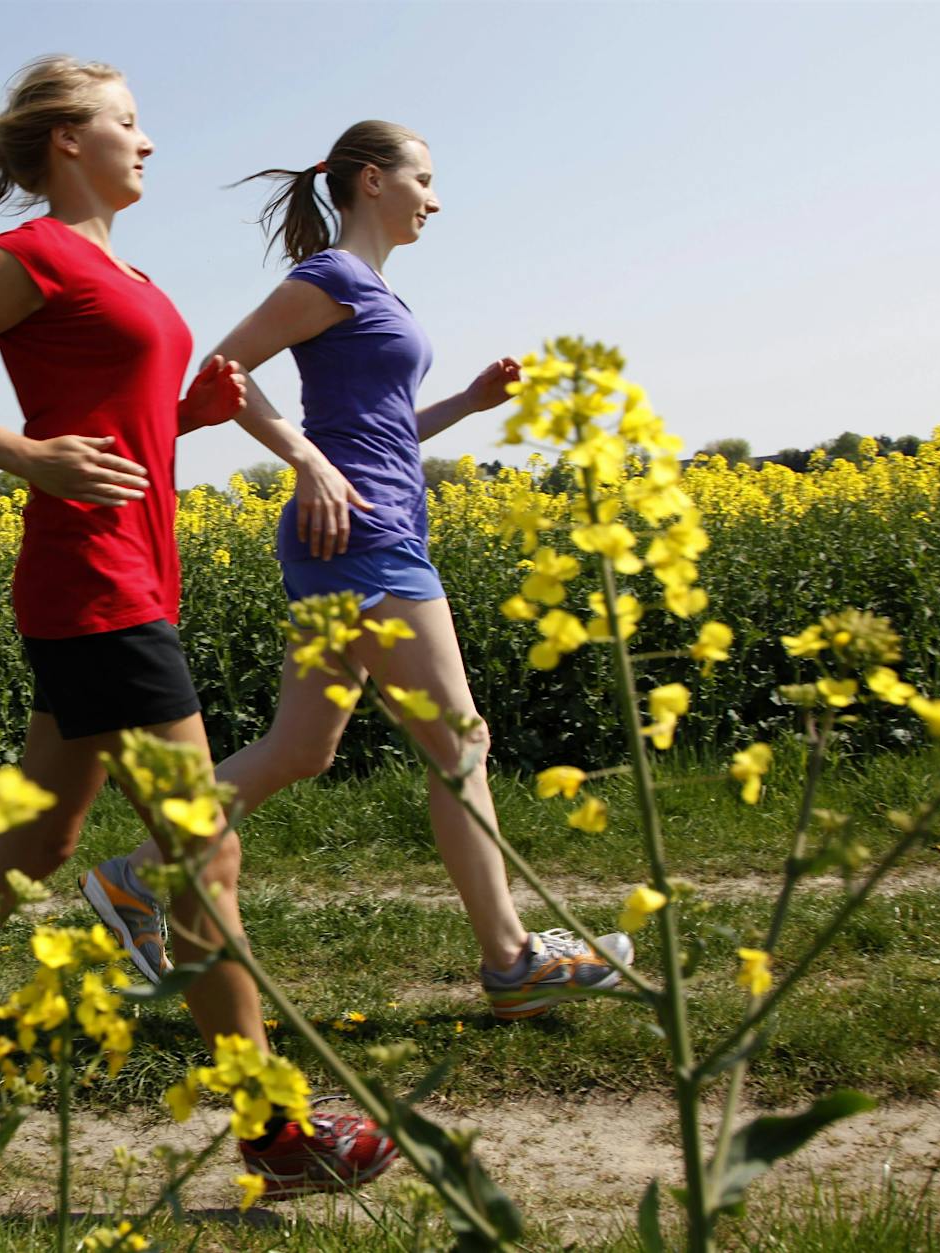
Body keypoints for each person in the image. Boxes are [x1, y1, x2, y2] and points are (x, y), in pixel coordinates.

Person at [0, 59, 398, 1195]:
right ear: (65, 140)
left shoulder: (120, 269)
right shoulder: (28, 256)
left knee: (42, 842)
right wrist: (25, 455)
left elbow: (128, 420)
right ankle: (272, 1128)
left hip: (131, 575)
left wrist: (191, 408)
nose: (146, 142)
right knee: (203, 848)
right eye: (127, 123)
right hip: (92, 581)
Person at [82, 120, 634, 1021]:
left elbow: (380, 435)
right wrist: (304, 460)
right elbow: (224, 367)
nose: (436, 197)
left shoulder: (374, 290)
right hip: (362, 537)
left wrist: (466, 401)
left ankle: (138, 878)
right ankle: (512, 962)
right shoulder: (330, 276)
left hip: (359, 530)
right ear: (373, 181)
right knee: (461, 742)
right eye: (425, 178)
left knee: (303, 748)